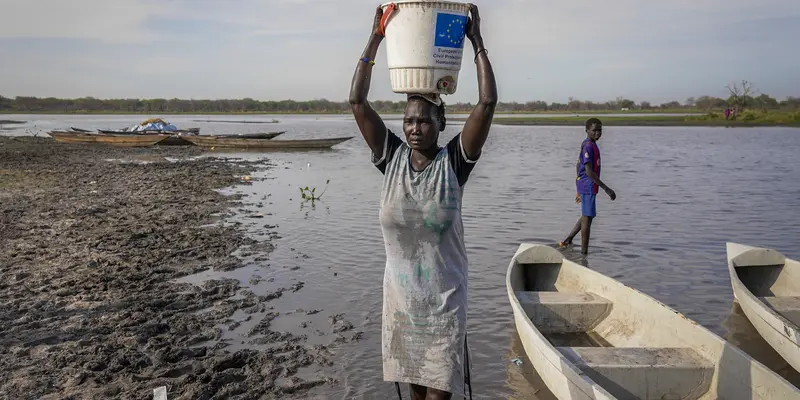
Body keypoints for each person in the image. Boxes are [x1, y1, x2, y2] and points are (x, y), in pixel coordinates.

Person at [348, 4, 496, 400]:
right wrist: (377, 36)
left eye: (425, 120)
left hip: (444, 304)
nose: (415, 128)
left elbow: (486, 105)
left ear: (441, 123)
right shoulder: (391, 157)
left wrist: (476, 42)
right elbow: (358, 103)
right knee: (414, 394)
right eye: (409, 120)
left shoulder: (454, 163)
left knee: (439, 393)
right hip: (401, 304)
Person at [559, 118, 616, 254]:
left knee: (587, 216)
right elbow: (589, 171)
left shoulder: (591, 144)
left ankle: (568, 240)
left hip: (587, 185)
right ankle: (584, 254)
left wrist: (578, 187)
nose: (597, 133)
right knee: (587, 219)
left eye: (599, 130)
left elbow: (577, 165)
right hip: (588, 185)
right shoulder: (588, 146)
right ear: (587, 131)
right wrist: (607, 189)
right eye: (594, 130)